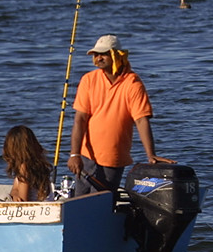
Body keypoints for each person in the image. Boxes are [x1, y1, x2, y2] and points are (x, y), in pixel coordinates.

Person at [66, 35, 174, 196]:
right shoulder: (88, 80)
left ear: (117, 56)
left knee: (102, 200)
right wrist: (74, 154)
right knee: (79, 200)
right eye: (96, 54)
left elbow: (141, 120)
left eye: (104, 54)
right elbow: (80, 119)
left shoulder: (132, 83)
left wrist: (151, 154)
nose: (98, 58)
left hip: (113, 156)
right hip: (86, 155)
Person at [2, 125, 53, 202]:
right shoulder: (35, 165)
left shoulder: (24, 168)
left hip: (32, 208)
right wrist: (15, 194)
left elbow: (23, 201)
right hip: (41, 205)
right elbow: (14, 189)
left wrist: (15, 196)